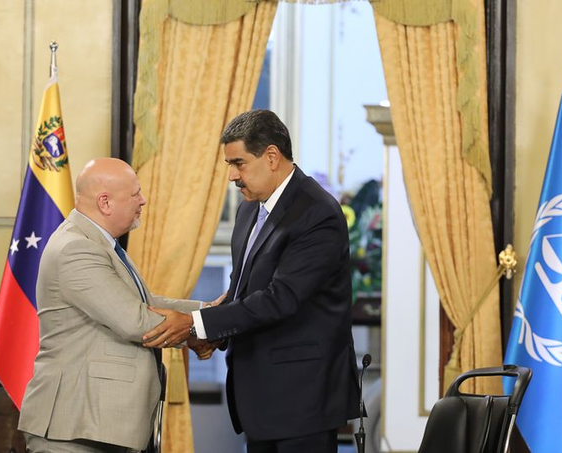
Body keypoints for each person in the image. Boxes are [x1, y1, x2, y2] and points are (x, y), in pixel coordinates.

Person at [145, 110, 361, 452]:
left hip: (303, 400)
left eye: (239, 163)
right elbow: (244, 288)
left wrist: (196, 323)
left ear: (271, 156)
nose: (232, 175)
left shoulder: (317, 211)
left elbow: (281, 298)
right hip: (260, 398)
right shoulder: (249, 208)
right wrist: (214, 332)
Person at [18, 158, 203, 452]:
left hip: (95, 425)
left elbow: (145, 302)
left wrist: (210, 311)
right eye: (135, 193)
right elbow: (135, 321)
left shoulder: (100, 242)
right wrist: (202, 327)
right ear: (105, 202)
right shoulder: (77, 248)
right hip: (75, 426)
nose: (143, 200)